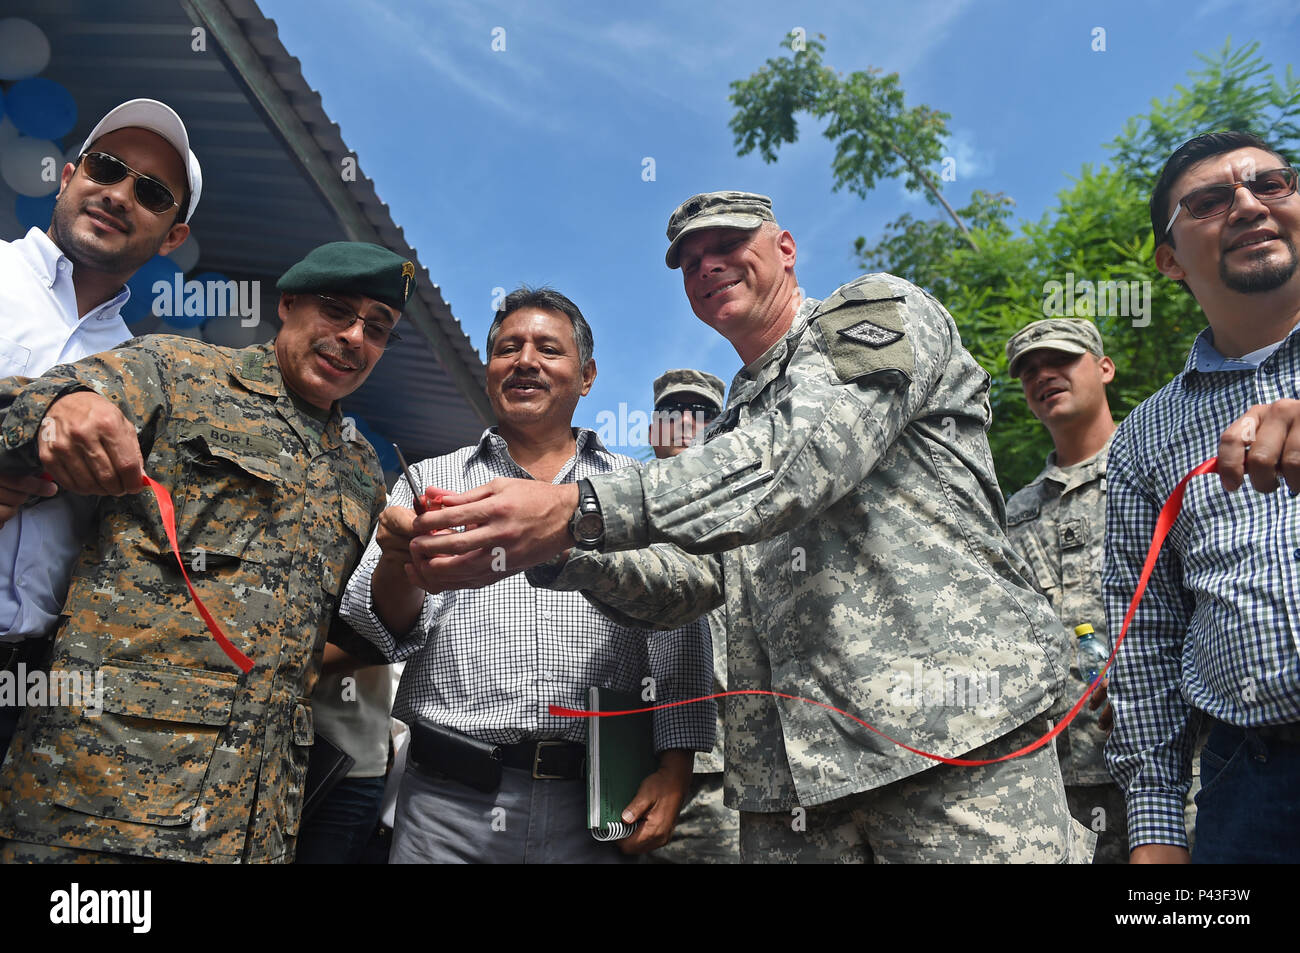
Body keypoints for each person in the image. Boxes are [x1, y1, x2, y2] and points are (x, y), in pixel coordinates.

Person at [401, 192, 1093, 863]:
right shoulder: (729, 430)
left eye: (729, 243)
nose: (707, 264)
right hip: (792, 790)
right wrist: (556, 548)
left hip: (949, 748)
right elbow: (693, 583)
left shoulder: (872, 313)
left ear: (785, 248)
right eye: (689, 260)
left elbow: (797, 459)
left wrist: (576, 507)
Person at [0, 240, 411, 863]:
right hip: (102, 797)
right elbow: (22, 411)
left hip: (254, 820)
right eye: (336, 310)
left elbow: (355, 630)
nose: (355, 337)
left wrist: (411, 567)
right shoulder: (178, 372)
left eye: (377, 329)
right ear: (289, 303)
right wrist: (62, 407)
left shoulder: (361, 472)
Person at [339, 287, 714, 864]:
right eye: (508, 348)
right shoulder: (433, 480)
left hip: (592, 808)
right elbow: (382, 627)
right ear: (490, 372)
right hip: (444, 807)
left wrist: (675, 768)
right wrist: (397, 556)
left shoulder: (636, 491)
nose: (526, 361)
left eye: (548, 349)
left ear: (587, 377)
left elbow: (679, 631)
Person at [1105, 130, 1300, 864]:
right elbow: (1146, 639)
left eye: (1271, 184)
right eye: (1211, 201)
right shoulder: (1144, 437)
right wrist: (1155, 827)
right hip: (1247, 791)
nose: (1248, 205)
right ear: (1171, 261)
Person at [0, 99, 201, 763]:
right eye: (106, 167)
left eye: (150, 192)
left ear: (173, 236)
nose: (118, 194)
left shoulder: (144, 375)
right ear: (66, 176)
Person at [1004, 317, 1128, 863]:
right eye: (1028, 370)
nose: (1042, 375)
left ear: (1104, 368)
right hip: (1060, 782)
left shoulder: (1149, 471)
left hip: (1173, 763)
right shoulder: (1014, 513)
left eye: (1060, 360)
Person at [643, 368, 739, 864]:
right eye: (671, 414)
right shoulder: (619, 518)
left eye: (701, 415)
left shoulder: (749, 519)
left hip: (724, 767)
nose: (684, 424)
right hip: (629, 759)